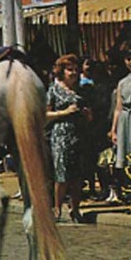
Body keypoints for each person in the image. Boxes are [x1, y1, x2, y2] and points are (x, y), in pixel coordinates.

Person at [46, 54, 89, 222]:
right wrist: (63, 113)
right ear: (61, 71)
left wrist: (86, 113)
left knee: (77, 175)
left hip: (78, 133)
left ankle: (75, 209)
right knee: (62, 174)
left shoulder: (81, 89)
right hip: (61, 133)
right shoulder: (54, 89)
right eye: (69, 70)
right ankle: (57, 208)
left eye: (75, 70)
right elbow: (45, 114)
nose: (73, 73)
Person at [110, 41, 131, 204]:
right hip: (125, 121)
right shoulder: (122, 82)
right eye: (128, 59)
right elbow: (118, 107)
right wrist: (114, 130)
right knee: (126, 160)